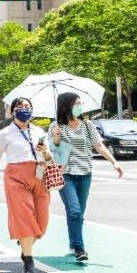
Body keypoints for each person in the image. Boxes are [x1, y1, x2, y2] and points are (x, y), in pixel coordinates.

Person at [0, 97, 53, 273]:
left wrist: (45, 152)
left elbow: (49, 160)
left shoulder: (39, 132)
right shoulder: (5, 134)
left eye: (28, 106)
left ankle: (25, 243)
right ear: (12, 111)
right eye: (20, 106)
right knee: (24, 217)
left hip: (39, 175)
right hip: (16, 178)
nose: (24, 109)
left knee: (42, 222)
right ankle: (28, 260)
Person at [47, 92, 123, 263]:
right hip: (65, 174)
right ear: (66, 106)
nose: (79, 107)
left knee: (78, 213)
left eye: (80, 104)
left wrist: (114, 162)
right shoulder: (55, 126)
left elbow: (99, 145)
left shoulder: (87, 125)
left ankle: (73, 243)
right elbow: (52, 150)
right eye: (75, 104)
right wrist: (56, 137)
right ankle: (79, 248)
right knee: (74, 211)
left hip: (85, 173)